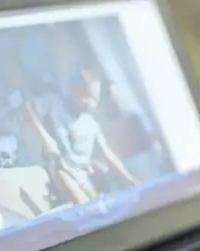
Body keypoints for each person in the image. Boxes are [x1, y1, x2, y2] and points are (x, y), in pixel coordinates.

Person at [24, 67, 140, 203]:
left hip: (84, 178)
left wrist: (129, 179)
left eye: (94, 99)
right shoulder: (54, 104)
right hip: (59, 172)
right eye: (86, 96)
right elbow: (28, 107)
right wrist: (45, 137)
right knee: (65, 179)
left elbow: (108, 154)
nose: (90, 103)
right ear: (74, 90)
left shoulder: (92, 124)